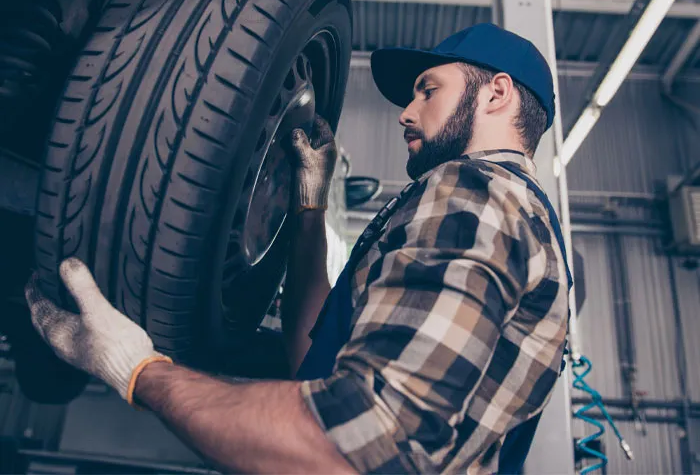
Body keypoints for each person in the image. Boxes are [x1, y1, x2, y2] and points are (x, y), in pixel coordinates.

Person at [26, 23, 570, 474]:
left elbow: (354, 439)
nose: (405, 112)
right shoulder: (503, 211)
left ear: (496, 93)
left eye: (428, 90)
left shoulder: (476, 193)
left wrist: (138, 371)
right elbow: (314, 361)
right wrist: (309, 207)